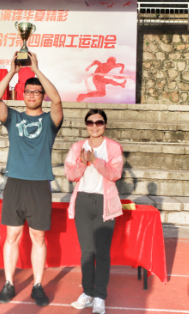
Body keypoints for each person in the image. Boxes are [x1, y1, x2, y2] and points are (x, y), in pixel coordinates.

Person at [0, 51, 63, 307]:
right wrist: (12, 71)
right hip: (15, 183)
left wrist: (36, 70)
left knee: (38, 237)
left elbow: (57, 100)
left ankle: (38, 285)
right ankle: (9, 282)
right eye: (28, 92)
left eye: (37, 92)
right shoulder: (14, 118)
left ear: (42, 96)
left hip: (39, 184)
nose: (32, 95)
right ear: (22, 94)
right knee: (12, 236)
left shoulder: (50, 120)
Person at [64, 109, 123, 313]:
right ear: (86, 125)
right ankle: (87, 293)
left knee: (102, 253)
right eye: (90, 122)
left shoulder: (113, 147)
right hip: (83, 201)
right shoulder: (77, 147)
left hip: (104, 202)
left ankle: (99, 296)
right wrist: (82, 162)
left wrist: (95, 161)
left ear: (105, 125)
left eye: (99, 122)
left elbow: (115, 174)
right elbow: (70, 175)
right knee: (87, 252)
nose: (94, 126)